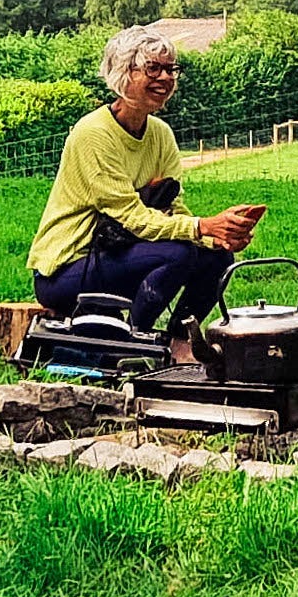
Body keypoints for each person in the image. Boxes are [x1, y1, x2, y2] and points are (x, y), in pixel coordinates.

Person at [26, 25, 260, 364]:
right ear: (124, 72)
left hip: (123, 254)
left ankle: (180, 343)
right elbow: (132, 217)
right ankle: (133, 345)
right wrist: (203, 227)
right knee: (177, 254)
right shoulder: (93, 134)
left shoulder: (161, 134)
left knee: (217, 259)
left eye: (171, 69)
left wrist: (219, 237)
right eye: (153, 68)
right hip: (68, 268)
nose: (165, 78)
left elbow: (171, 209)